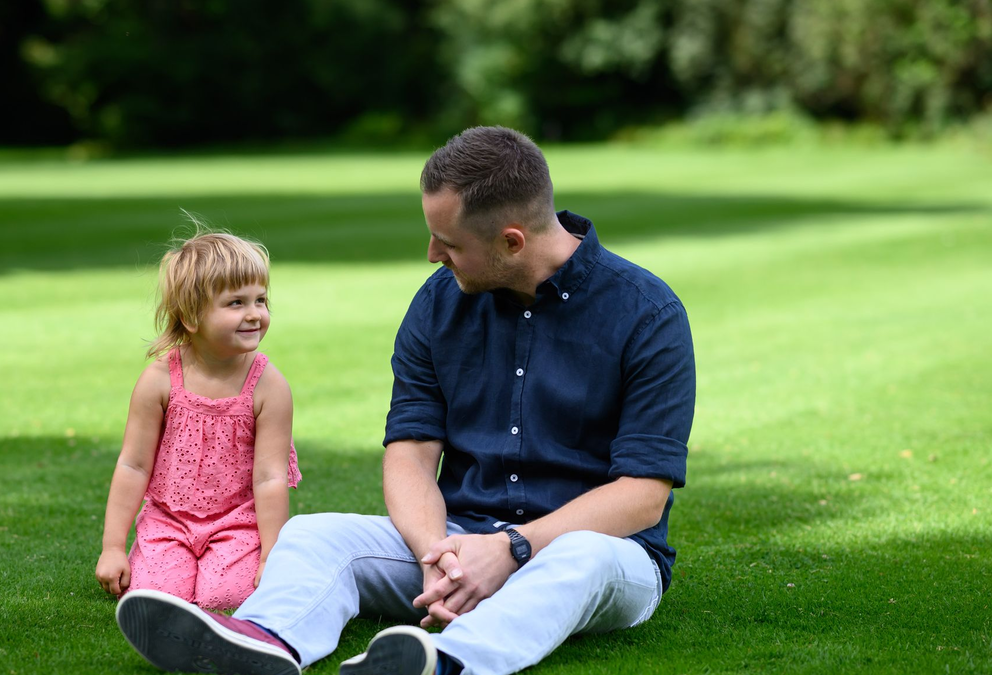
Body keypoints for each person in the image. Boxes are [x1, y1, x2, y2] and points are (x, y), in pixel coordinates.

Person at [113, 126, 695, 675]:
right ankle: (264, 641)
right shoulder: (438, 304)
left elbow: (642, 497)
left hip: (600, 556)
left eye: (448, 243)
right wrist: (434, 553)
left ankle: (446, 661)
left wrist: (512, 549)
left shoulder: (647, 314)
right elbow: (411, 452)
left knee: (583, 558)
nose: (431, 254)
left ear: (511, 241)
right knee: (315, 534)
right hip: (456, 540)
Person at [95, 229, 302, 612]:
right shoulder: (160, 380)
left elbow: (270, 477)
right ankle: (164, 566)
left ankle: (224, 575)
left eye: (261, 300)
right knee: (157, 599)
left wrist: (271, 556)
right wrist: (112, 547)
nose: (255, 313)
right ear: (191, 316)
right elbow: (133, 464)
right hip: (168, 521)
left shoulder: (268, 386)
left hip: (238, 525)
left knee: (226, 597)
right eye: (236, 303)